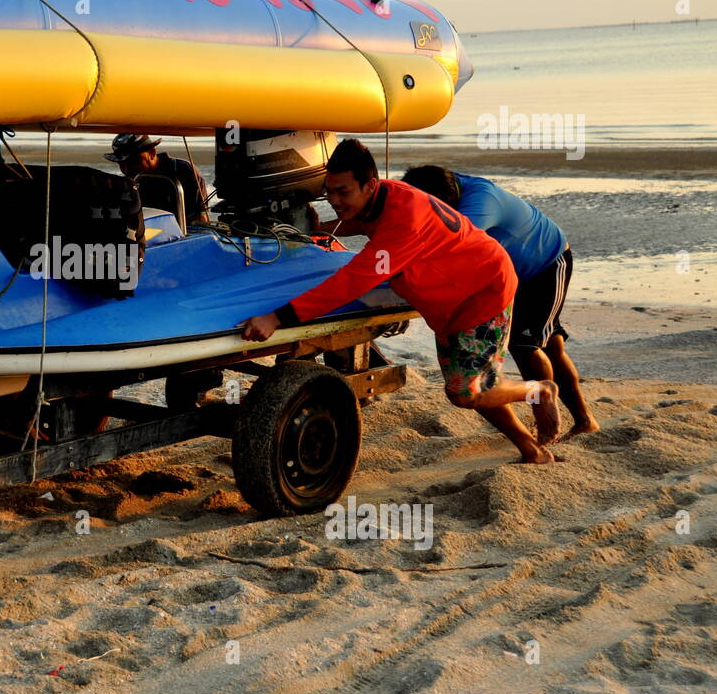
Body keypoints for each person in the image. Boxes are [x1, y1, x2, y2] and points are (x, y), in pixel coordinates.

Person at [240, 138, 561, 464]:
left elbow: (352, 281)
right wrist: (317, 228)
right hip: (446, 296)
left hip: (482, 291)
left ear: (370, 185)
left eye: (343, 192)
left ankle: (542, 390)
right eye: (329, 191)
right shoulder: (384, 195)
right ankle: (531, 449)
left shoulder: (403, 219)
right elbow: (360, 222)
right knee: (472, 383)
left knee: (466, 391)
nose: (334, 200)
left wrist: (278, 317)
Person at [401, 164, 598, 439]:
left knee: (525, 344)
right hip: (509, 273)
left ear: (450, 199)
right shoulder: (444, 190)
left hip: (544, 263)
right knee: (549, 342)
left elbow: (454, 245)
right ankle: (583, 420)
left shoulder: (480, 201)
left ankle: (547, 417)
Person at [106, 134, 209, 224]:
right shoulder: (130, 179)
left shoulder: (184, 171)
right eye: (121, 164)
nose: (126, 169)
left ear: (152, 152)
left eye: (133, 161)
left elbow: (199, 218)